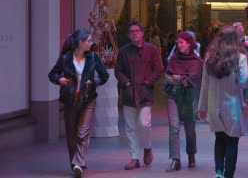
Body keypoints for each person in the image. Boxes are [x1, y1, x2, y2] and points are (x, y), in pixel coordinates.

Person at [48, 29, 109, 178]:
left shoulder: (93, 57)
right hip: (70, 101)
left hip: (88, 100)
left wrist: (94, 81)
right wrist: (59, 79)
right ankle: (76, 164)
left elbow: (104, 75)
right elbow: (52, 74)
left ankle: (78, 164)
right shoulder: (65, 58)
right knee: (71, 134)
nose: (91, 43)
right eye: (88, 41)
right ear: (80, 43)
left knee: (83, 133)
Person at [198, 26, 248, 178]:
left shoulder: (210, 56)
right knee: (232, 142)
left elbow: (205, 83)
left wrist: (201, 107)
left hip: (214, 106)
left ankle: (218, 172)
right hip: (232, 106)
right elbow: (243, 83)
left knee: (219, 139)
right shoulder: (240, 57)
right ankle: (228, 175)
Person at [115, 21, 164, 170]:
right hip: (129, 94)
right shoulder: (124, 51)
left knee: (145, 124)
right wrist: (127, 83)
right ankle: (134, 158)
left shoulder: (152, 50)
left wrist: (148, 82)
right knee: (130, 127)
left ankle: (147, 148)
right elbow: (118, 71)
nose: (134, 33)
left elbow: (159, 69)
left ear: (142, 33)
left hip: (145, 94)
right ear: (128, 34)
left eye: (137, 31)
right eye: (131, 32)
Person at [162, 32, 203, 172]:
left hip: (189, 97)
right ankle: (175, 159)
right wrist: (182, 79)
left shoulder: (196, 61)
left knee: (189, 129)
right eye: (177, 43)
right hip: (173, 95)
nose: (178, 45)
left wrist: (177, 78)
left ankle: (191, 154)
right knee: (174, 127)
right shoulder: (174, 59)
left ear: (189, 44)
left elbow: (194, 79)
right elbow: (167, 76)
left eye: (181, 43)